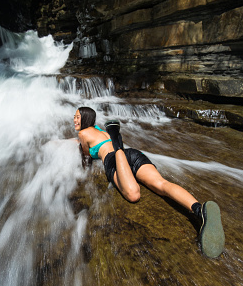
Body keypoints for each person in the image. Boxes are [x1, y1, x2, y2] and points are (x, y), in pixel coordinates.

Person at [74, 106, 225, 258]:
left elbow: (87, 153)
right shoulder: (102, 131)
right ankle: (199, 209)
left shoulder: (83, 133)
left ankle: (117, 145)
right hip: (133, 153)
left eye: (77, 117)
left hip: (114, 160)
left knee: (133, 194)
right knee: (161, 184)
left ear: (86, 118)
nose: (74, 120)